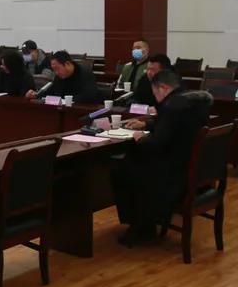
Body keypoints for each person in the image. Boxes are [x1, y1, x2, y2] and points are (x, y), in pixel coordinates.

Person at [114, 70, 213, 245]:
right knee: (131, 164)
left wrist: (140, 138)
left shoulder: (172, 106)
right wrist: (146, 124)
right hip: (191, 169)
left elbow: (157, 143)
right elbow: (172, 126)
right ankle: (148, 220)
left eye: (155, 93)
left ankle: (141, 227)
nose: (156, 98)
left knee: (121, 170)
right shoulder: (193, 102)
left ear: (163, 88)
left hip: (173, 177)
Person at [25, 50, 100, 104]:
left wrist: (66, 99)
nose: (56, 73)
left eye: (57, 68)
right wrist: (36, 95)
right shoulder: (59, 76)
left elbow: (89, 96)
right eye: (54, 70)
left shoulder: (85, 74)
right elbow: (52, 91)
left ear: (67, 64)